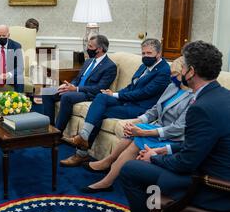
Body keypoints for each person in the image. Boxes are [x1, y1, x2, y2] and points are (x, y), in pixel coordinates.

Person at [120, 41, 230, 212]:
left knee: (131, 169)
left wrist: (154, 158)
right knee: (145, 167)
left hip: (212, 188)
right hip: (210, 169)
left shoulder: (201, 107)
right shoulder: (223, 95)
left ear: (191, 71)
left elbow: (186, 163)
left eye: (183, 66)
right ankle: (155, 210)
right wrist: (165, 150)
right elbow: (200, 142)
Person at [81, 57, 194, 193]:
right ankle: (109, 162)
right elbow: (154, 109)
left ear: (186, 74)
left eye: (174, 75)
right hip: (158, 129)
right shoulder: (172, 87)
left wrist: (143, 131)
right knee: (133, 129)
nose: (171, 77)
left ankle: (107, 180)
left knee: (139, 136)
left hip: (173, 136)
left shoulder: (193, 97)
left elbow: (179, 128)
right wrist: (136, 121)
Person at [60, 39, 171, 167]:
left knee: (100, 113)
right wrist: (113, 93)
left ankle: (81, 153)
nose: (145, 56)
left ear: (158, 54)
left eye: (149, 53)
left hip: (141, 108)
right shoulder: (143, 66)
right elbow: (131, 86)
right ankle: (84, 136)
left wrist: (115, 95)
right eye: (143, 53)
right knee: (101, 97)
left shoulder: (164, 71)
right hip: (128, 101)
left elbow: (144, 93)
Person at [42, 35, 117, 133]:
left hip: (88, 94)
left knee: (67, 97)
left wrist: (76, 89)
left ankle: (57, 133)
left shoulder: (110, 66)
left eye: (90, 47)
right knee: (47, 92)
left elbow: (99, 88)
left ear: (99, 49)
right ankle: (49, 128)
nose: (87, 49)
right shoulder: (89, 61)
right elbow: (77, 78)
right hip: (75, 89)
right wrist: (68, 85)